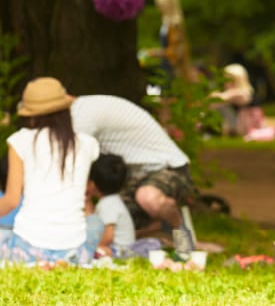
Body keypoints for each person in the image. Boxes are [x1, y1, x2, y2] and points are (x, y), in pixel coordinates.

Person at [70, 95, 197, 260]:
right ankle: (161, 227)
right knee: (123, 223)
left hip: (168, 167)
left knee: (147, 197)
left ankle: (178, 227)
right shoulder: (83, 110)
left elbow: (75, 164)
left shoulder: (80, 117)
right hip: (132, 178)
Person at [0, 77, 102, 267]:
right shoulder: (88, 144)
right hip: (74, 247)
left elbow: (12, 200)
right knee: (96, 223)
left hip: (28, 245)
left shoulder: (20, 141)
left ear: (31, 114)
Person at [87, 153, 160, 259]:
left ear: (93, 183)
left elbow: (108, 236)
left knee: (99, 250)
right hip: (122, 249)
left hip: (121, 251)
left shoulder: (107, 204)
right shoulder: (112, 201)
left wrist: (94, 247)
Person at [211, 63, 256, 137]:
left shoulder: (243, 92)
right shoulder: (232, 93)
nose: (225, 82)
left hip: (244, 127)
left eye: (228, 79)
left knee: (221, 106)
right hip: (236, 126)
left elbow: (221, 98)